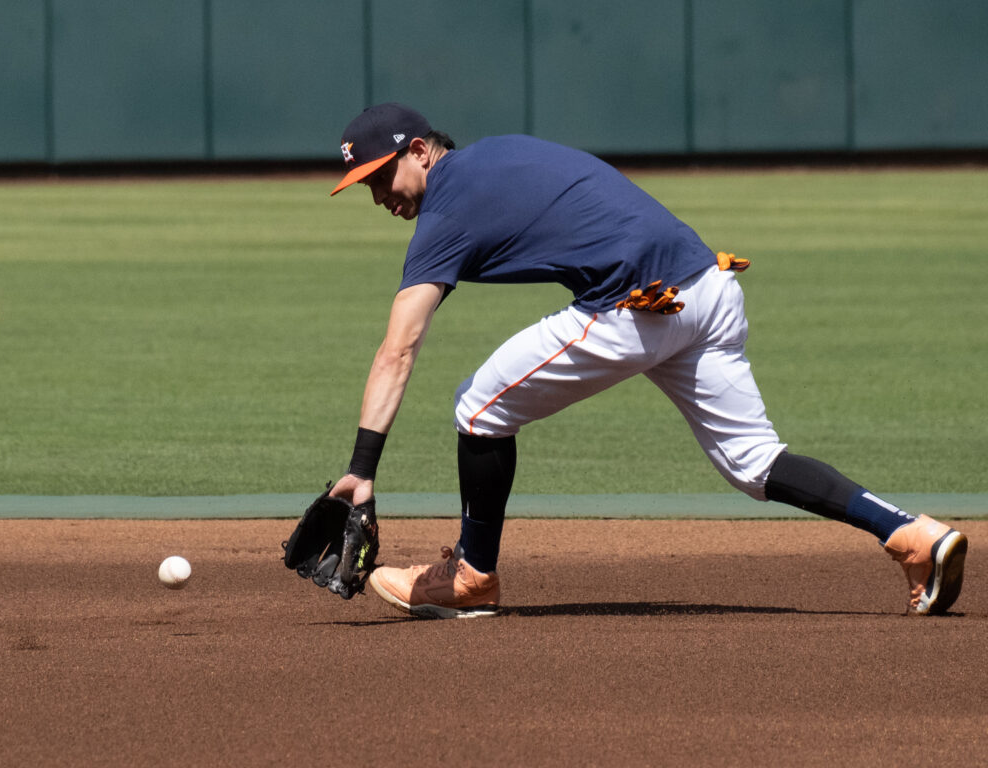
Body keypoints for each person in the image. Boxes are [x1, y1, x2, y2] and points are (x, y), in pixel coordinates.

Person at [326, 102, 967, 619]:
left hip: (639, 308)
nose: (378, 194)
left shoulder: (446, 212)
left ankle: (471, 576)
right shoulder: (498, 150)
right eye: (364, 185)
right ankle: (914, 537)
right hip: (710, 287)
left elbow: (399, 346)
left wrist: (362, 468)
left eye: (381, 175)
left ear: (419, 151)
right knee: (754, 464)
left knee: (479, 406)